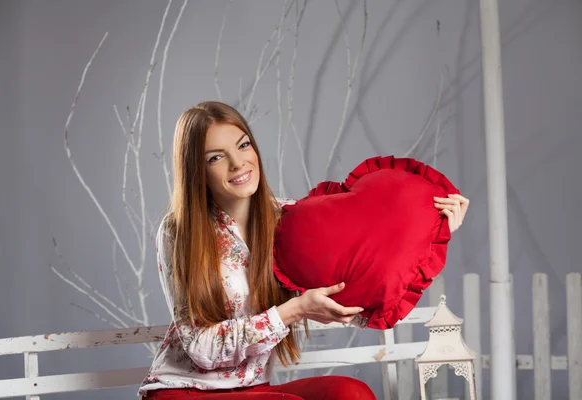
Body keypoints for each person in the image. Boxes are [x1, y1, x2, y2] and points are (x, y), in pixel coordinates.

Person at [138, 101, 469, 399]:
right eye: (215, 157)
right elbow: (199, 347)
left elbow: (358, 298)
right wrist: (293, 311)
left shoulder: (292, 220)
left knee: (352, 394)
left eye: (243, 145)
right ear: (197, 171)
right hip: (182, 392)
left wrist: (432, 231)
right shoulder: (180, 231)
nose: (238, 163)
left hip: (254, 390)